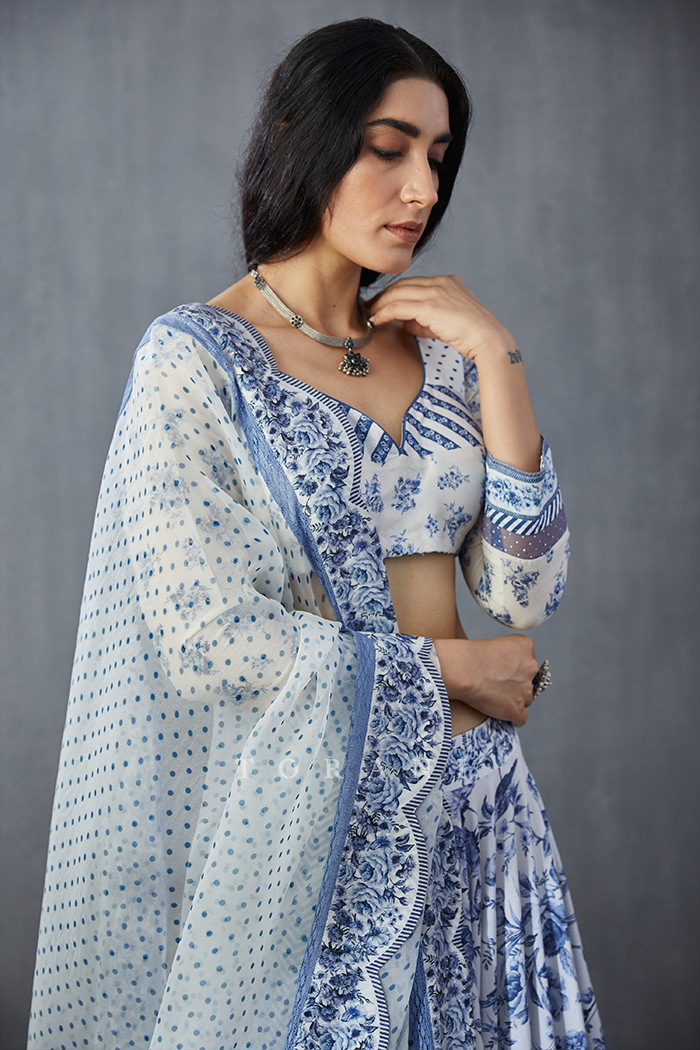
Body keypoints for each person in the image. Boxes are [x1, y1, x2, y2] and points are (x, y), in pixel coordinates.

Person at [28, 18, 605, 1050]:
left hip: (481, 815)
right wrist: (453, 672)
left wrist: (498, 353)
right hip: (320, 839)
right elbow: (205, 635)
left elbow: (526, 596)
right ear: (303, 139)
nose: (421, 189)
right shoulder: (198, 362)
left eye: (437, 158)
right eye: (388, 149)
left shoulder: (447, 354)